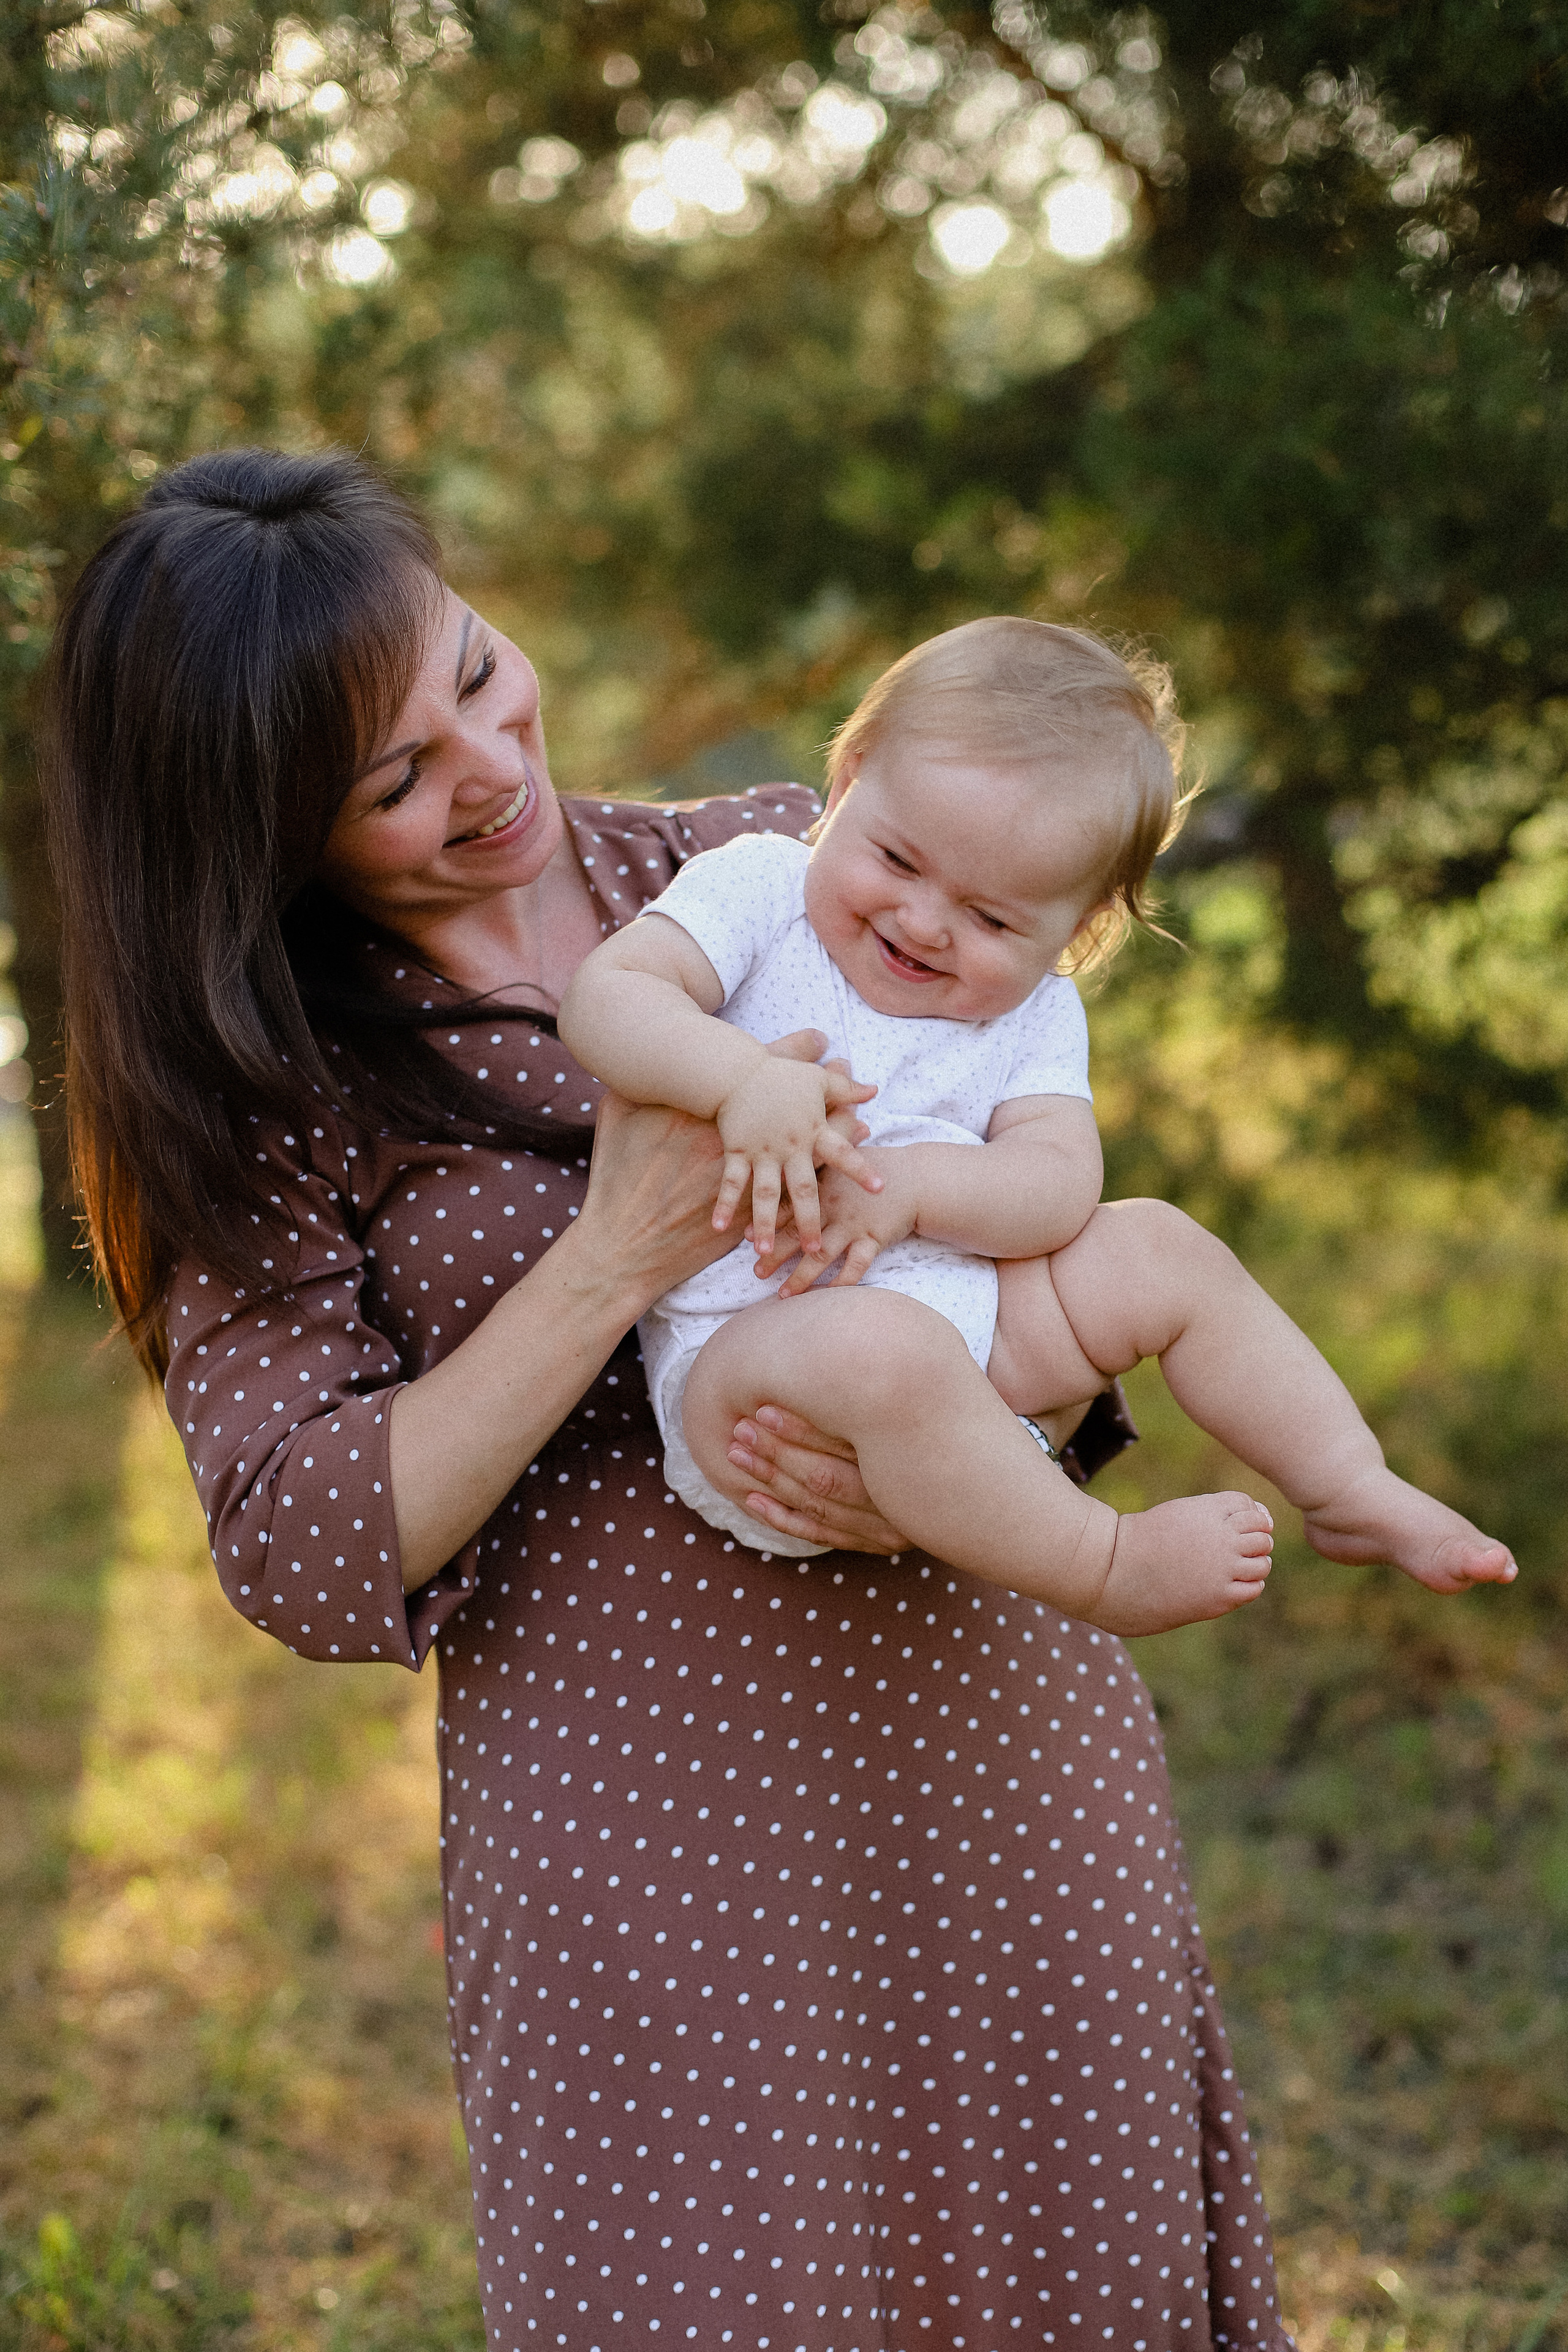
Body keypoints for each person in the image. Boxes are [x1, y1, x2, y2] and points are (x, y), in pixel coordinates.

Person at [46, 446, 1295, 2351]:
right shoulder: (271, 1090)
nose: (487, 765)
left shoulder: (782, 865)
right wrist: (617, 1254)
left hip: (994, 1749)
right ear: (255, 831)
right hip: (653, 1846)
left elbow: (1030, 1216)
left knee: (1069, 2284)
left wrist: (1000, 1431)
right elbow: (303, 1547)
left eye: (473, 671)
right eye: (391, 778)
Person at [557, 620, 1515, 1629]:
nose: (926, 922)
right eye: (897, 858)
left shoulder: (1032, 1014)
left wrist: (920, 1188)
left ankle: (1349, 1485)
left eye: (994, 918)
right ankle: (1105, 1565)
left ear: (1082, 927)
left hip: (979, 1345)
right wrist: (739, 1080)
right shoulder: (761, 890)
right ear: (846, 781)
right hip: (747, 1371)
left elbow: (1060, 1186)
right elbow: (608, 999)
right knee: (882, 1348)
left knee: (1160, 1248)